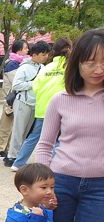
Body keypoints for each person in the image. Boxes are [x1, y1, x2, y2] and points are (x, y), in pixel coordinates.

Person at [32, 28, 104, 222]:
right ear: (77, 63)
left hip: (100, 188)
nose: (98, 69)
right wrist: (44, 186)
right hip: (62, 182)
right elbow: (45, 144)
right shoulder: (62, 99)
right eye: (91, 61)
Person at [11, 38, 72, 171]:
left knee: (34, 137)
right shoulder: (69, 67)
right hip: (64, 108)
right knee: (59, 139)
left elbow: (36, 87)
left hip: (43, 108)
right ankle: (54, 166)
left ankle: (17, 163)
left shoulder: (46, 68)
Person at [4, 40, 51, 167]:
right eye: (43, 54)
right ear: (35, 55)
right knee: (18, 131)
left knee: (27, 132)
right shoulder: (24, 67)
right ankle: (12, 156)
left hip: (35, 103)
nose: (45, 57)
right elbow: (16, 85)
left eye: (46, 54)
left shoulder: (43, 68)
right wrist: (34, 84)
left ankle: (20, 156)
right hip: (22, 102)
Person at [0, 39, 29, 160]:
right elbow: (17, 82)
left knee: (12, 126)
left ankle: (5, 149)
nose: (27, 50)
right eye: (25, 48)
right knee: (5, 126)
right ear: (19, 50)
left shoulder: (20, 64)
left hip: (16, 100)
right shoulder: (12, 64)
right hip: (10, 100)